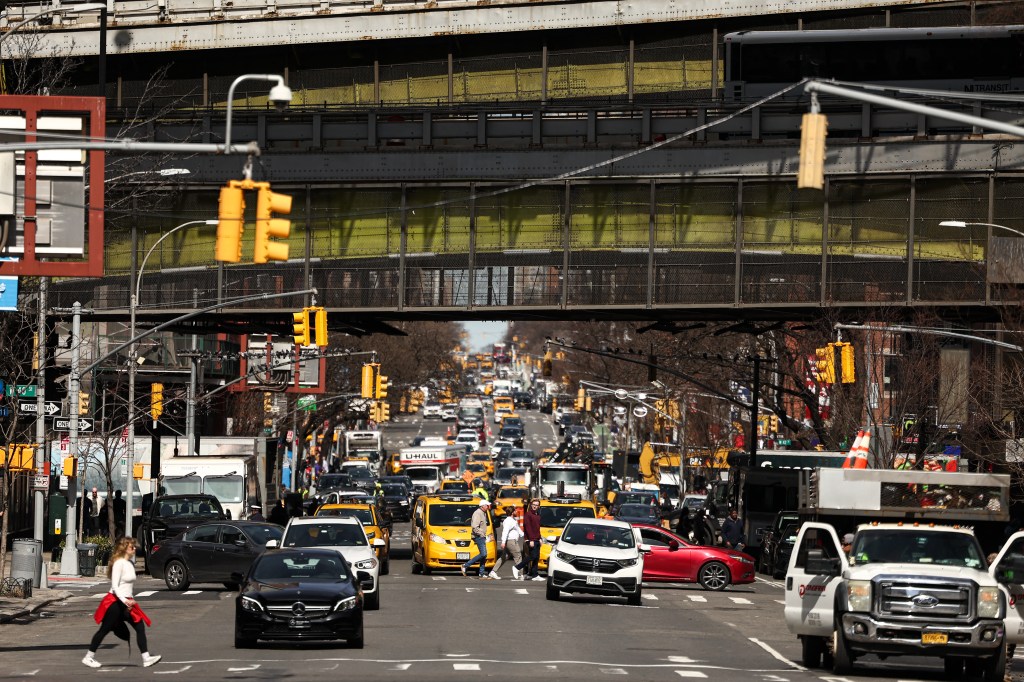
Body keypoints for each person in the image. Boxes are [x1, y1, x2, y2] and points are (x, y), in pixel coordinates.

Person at [83, 538, 161, 669]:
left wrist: (130, 599)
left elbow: (127, 587)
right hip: (115, 602)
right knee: (104, 630)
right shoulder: (119, 563)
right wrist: (125, 601)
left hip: (127, 603)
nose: (135, 549)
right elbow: (115, 587)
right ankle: (89, 657)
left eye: (134, 547)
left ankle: (146, 658)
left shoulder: (129, 563)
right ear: (124, 548)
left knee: (139, 626)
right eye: (132, 547)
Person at [489, 505, 524, 580]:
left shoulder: (513, 520)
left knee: (504, 557)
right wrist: (503, 542)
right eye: (515, 511)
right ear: (512, 512)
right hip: (511, 541)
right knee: (518, 556)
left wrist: (524, 535)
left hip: (511, 541)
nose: (516, 512)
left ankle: (493, 572)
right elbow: (505, 532)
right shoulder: (508, 521)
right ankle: (521, 574)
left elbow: (518, 530)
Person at [461, 499, 491, 578]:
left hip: (481, 536)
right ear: (482, 506)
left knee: (484, 555)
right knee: (483, 554)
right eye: (487, 505)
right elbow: (474, 526)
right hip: (478, 536)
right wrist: (481, 534)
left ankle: (481, 573)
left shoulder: (483, 513)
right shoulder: (478, 513)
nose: (488, 507)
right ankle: (465, 565)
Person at [516, 498, 544, 581]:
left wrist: (540, 538)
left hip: (537, 539)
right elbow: (528, 528)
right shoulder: (528, 514)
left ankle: (533, 574)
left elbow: (537, 528)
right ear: (531, 505)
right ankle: (517, 567)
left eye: (537, 505)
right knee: (533, 556)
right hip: (531, 539)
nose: (535, 506)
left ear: (539, 506)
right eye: (534, 505)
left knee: (536, 558)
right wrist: (531, 539)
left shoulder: (537, 515)